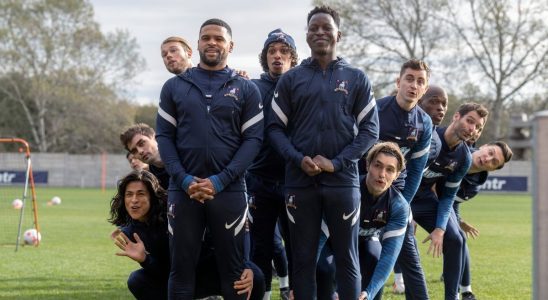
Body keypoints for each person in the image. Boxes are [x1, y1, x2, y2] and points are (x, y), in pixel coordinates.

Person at [267, 6, 379, 299]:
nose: (319, 32)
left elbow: (370, 131)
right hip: (299, 183)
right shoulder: (291, 79)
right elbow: (274, 129)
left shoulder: (357, 78)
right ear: (306, 36)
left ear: (338, 34)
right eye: (313, 28)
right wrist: (297, 159)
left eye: (325, 28)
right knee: (302, 260)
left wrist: (336, 162)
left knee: (347, 259)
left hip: (343, 183)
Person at [156, 19, 263, 299]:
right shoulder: (174, 87)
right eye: (206, 38)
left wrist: (220, 180)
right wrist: (183, 179)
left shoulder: (246, 88)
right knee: (181, 272)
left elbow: (253, 140)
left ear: (231, 45)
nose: (212, 42)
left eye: (218, 38)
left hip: (229, 191)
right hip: (184, 191)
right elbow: (164, 138)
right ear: (198, 43)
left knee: (235, 273)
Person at [109, 170, 263, 299]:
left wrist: (244, 264)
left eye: (140, 194)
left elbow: (230, 235)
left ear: (152, 196)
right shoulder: (130, 234)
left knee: (253, 275)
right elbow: (163, 272)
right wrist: (145, 259)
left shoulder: (176, 213)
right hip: (177, 281)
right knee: (137, 280)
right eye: (129, 195)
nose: (134, 200)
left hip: (211, 272)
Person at [369, 60, 433, 300]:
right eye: (409, 78)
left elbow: (416, 170)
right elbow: (357, 155)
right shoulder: (376, 110)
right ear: (398, 82)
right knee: (370, 258)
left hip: (396, 195)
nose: (413, 85)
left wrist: (403, 204)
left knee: (411, 260)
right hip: (366, 193)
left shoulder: (424, 123)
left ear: (425, 89)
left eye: (420, 81)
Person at [412, 102, 488, 300]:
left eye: (478, 127)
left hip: (424, 199)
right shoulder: (430, 136)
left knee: (455, 239)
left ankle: (452, 296)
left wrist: (440, 229)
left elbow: (447, 197)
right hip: (400, 196)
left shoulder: (464, 158)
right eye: (470, 121)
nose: (473, 129)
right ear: (456, 117)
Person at [247, 28, 298, 299]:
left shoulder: (302, 85)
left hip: (295, 180)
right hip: (259, 180)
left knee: (295, 245)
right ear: (264, 57)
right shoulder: (251, 87)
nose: (277, 56)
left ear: (293, 58)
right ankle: (263, 294)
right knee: (261, 247)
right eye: (272, 51)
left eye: (284, 51)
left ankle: (293, 291)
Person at [358, 142, 409, 300]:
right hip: (334, 242)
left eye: (390, 170)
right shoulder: (349, 192)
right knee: (326, 269)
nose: (382, 174)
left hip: (365, 238)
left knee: (376, 257)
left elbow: (389, 256)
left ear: (397, 175)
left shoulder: (399, 206)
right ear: (367, 165)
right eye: (377, 166)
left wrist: (369, 293)